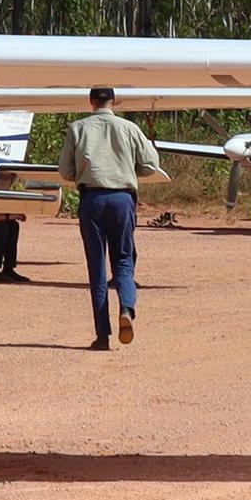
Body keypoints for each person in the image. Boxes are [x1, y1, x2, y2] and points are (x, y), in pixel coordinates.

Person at [65, 84, 162, 348]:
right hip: (122, 199)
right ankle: (127, 308)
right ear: (113, 102)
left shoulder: (78, 128)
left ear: (91, 102)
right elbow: (152, 164)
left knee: (96, 268)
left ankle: (102, 336)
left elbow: (65, 170)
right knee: (123, 261)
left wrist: (87, 172)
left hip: (92, 199)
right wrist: (128, 172)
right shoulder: (130, 129)